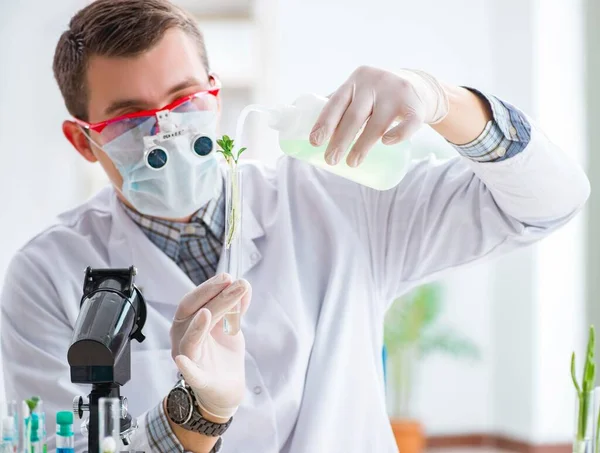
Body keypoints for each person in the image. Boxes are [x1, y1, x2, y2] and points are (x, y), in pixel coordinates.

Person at [0, 0, 590, 452]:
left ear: (216, 96)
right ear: (83, 141)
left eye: (184, 100)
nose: (168, 133)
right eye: (131, 117)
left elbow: (550, 201)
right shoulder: (48, 275)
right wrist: (195, 415)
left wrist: (441, 100)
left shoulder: (338, 200)